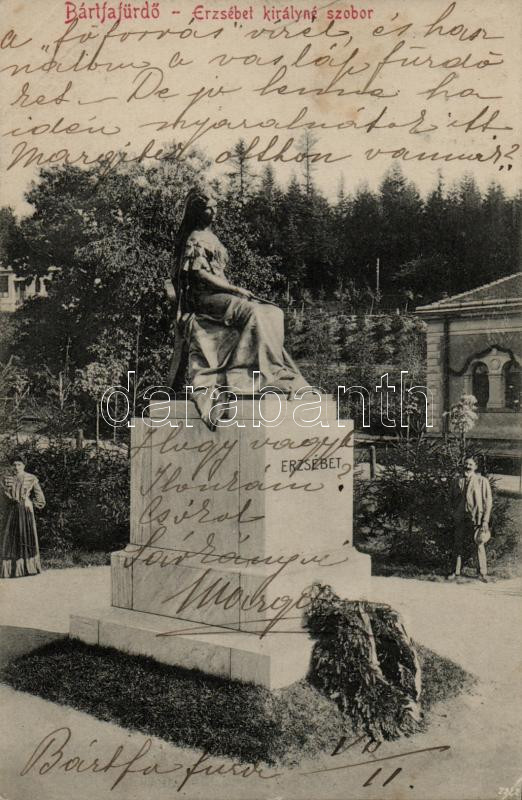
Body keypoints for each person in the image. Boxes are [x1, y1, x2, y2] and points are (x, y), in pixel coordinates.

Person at [165, 187, 306, 427]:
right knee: (255, 312)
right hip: (206, 300)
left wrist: (234, 291)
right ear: (198, 212)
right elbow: (199, 274)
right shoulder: (195, 238)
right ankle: (243, 374)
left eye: (215, 207)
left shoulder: (211, 237)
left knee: (274, 312)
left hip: (222, 296)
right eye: (208, 208)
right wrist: (235, 289)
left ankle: (273, 370)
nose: (214, 212)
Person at [447, 455, 492, 583]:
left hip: (476, 518)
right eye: (466, 464)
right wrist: (453, 513)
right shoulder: (457, 480)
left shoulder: (482, 481)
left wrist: (485, 520)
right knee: (457, 543)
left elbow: (488, 502)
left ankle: (482, 573)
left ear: (475, 467)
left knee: (479, 544)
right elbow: (450, 499)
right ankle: (455, 572)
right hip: (460, 517)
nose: (467, 466)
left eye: (470, 464)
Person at [1, 455, 45, 578]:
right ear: (11, 466)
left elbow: (40, 497)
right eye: (14, 465)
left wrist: (31, 504)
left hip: (25, 511)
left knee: (26, 537)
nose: (16, 467)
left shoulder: (31, 478)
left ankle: (28, 568)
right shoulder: (5, 479)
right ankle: (11, 570)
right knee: (9, 538)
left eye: (19, 465)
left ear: (24, 466)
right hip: (10, 512)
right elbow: (1, 497)